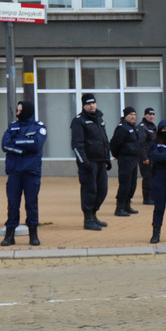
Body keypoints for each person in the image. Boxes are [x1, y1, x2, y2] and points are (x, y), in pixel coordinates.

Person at [0, 100, 47, 246]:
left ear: (26, 111)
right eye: (17, 110)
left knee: (31, 203)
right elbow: (5, 145)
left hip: (31, 171)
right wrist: (22, 148)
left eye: (20, 110)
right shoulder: (12, 127)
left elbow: (36, 144)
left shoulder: (39, 127)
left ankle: (33, 234)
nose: (18, 113)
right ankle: (10, 234)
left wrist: (17, 143)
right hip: (14, 171)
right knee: (13, 203)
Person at [70, 93, 111, 231]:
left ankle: (94, 214)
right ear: (84, 105)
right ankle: (88, 219)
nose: (92, 105)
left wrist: (107, 158)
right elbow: (76, 144)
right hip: (89, 163)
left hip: (101, 161)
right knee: (90, 190)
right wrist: (84, 162)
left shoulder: (99, 118)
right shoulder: (79, 121)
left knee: (102, 190)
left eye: (93, 103)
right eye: (88, 104)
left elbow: (104, 140)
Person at [109, 106, 140, 217]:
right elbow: (114, 143)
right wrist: (117, 155)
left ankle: (127, 205)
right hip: (125, 159)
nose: (133, 117)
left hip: (133, 159)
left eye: (134, 115)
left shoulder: (134, 127)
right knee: (125, 184)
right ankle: (119, 207)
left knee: (132, 184)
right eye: (130, 115)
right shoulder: (122, 128)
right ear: (125, 116)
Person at [136, 108, 157, 205]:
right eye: (149, 114)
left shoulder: (151, 126)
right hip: (145, 157)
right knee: (147, 177)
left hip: (152, 156)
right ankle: (147, 198)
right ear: (145, 115)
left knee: (152, 177)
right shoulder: (142, 127)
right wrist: (145, 158)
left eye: (153, 114)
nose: (152, 116)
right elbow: (141, 144)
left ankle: (152, 196)